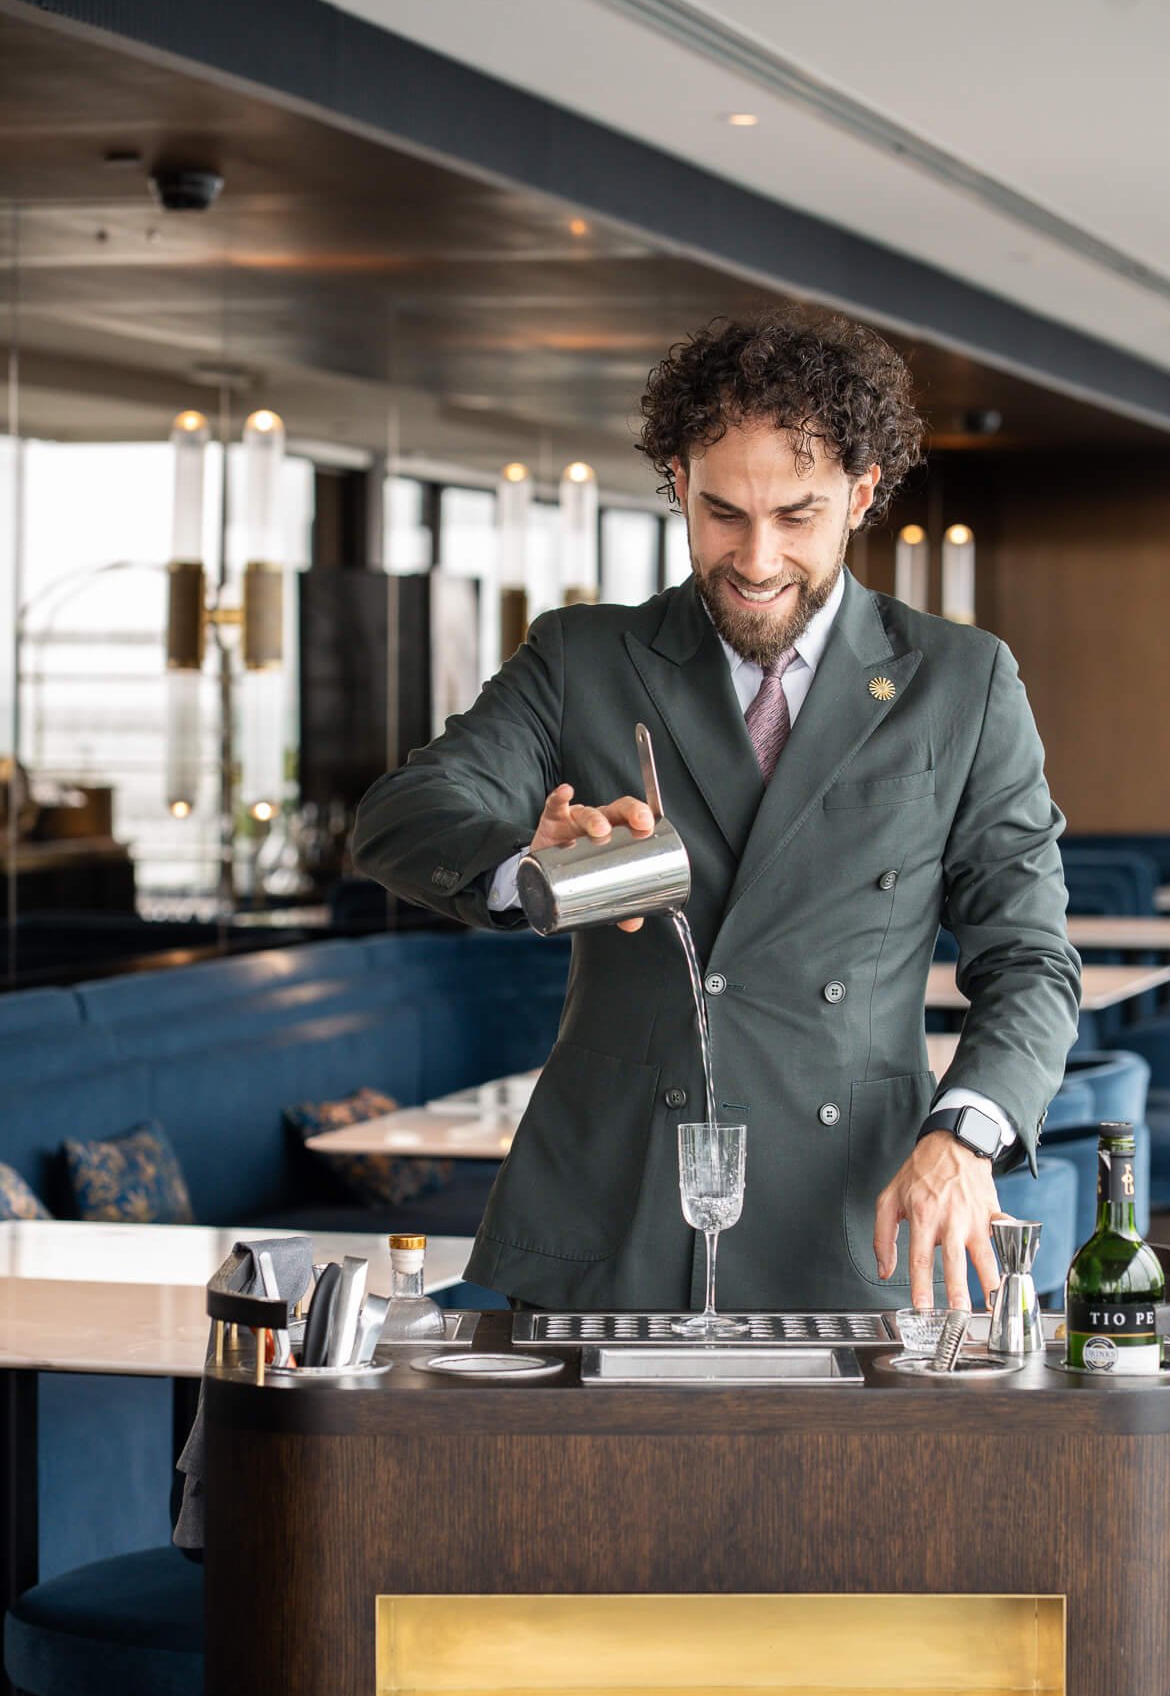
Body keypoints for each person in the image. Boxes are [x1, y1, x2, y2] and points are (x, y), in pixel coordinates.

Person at [351, 309, 1080, 1313]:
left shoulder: (959, 681)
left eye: (796, 517)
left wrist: (966, 1133)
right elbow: (403, 814)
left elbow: (1030, 958)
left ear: (860, 494)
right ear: (679, 485)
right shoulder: (583, 657)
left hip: (849, 1216)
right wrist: (529, 864)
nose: (757, 558)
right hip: (612, 1212)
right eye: (723, 512)